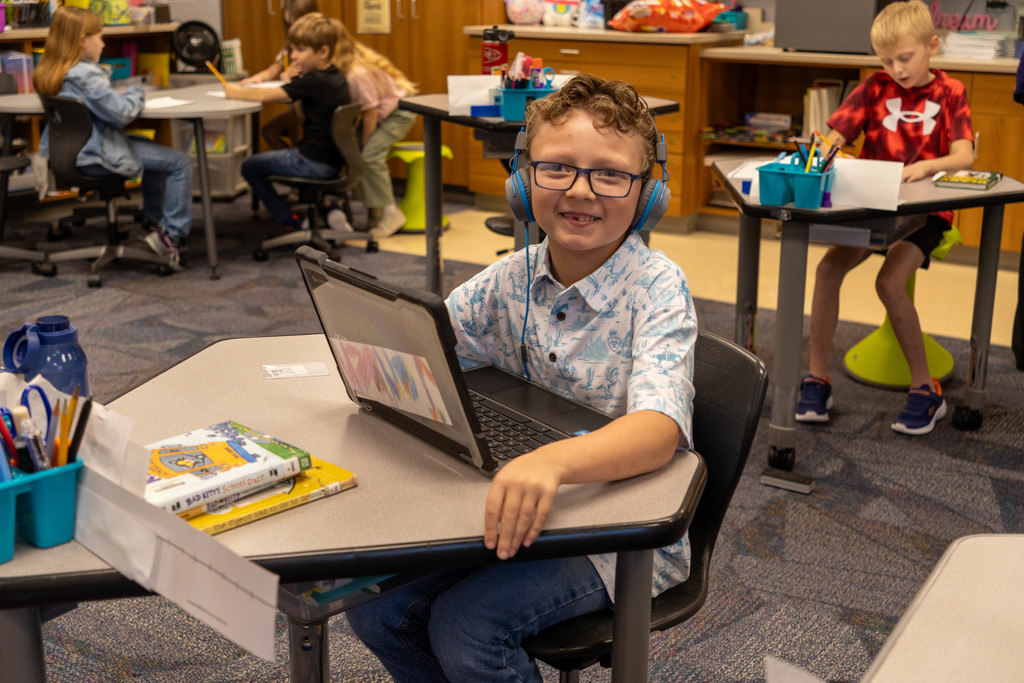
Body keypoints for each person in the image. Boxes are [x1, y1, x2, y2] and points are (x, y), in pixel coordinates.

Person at [346, 74, 698, 683]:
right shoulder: (510, 277)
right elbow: (428, 346)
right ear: (521, 180)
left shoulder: (657, 287)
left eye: (611, 174)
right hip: (517, 505)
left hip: (617, 536)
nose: (581, 190)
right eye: (556, 168)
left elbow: (658, 429)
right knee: (376, 610)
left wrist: (555, 462)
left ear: (647, 195)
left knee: (470, 627)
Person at [797, 0, 975, 436]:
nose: (896, 68)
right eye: (886, 60)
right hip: (875, 205)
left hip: (927, 211)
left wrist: (926, 167)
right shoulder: (874, 87)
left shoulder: (951, 92)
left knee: (889, 282)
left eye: (905, 57)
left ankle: (925, 390)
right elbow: (835, 135)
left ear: (932, 47)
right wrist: (823, 147)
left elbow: (965, 154)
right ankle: (816, 379)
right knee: (827, 270)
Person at [34, 5, 193, 269]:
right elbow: (122, 114)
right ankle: (171, 238)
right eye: (100, 37)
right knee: (178, 162)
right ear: (83, 40)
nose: (104, 43)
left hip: (71, 153)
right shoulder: (87, 76)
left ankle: (153, 225)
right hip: (97, 154)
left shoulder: (51, 72)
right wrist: (136, 91)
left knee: (156, 153)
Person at [225, 12, 352, 232]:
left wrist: (234, 90)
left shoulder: (314, 80)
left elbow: (265, 96)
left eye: (300, 50)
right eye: (292, 49)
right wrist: (295, 81)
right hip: (331, 163)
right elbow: (302, 116)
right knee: (276, 154)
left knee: (249, 166)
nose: (293, 56)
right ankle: (326, 208)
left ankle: (290, 219)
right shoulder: (335, 76)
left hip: (311, 163)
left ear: (323, 52)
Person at [331, 19, 417, 238]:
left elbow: (370, 111)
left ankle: (390, 213)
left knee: (368, 156)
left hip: (398, 114)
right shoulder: (347, 67)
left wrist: (366, 140)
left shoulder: (355, 73)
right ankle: (374, 212)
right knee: (355, 154)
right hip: (382, 114)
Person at [239, 0, 319, 150]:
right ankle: (289, 161)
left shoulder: (316, 44)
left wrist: (288, 77)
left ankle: (296, 163)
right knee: (269, 131)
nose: (294, 29)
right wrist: (259, 77)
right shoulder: (290, 42)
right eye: (289, 24)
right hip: (296, 108)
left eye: (297, 23)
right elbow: (277, 66)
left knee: (297, 130)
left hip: (309, 110)